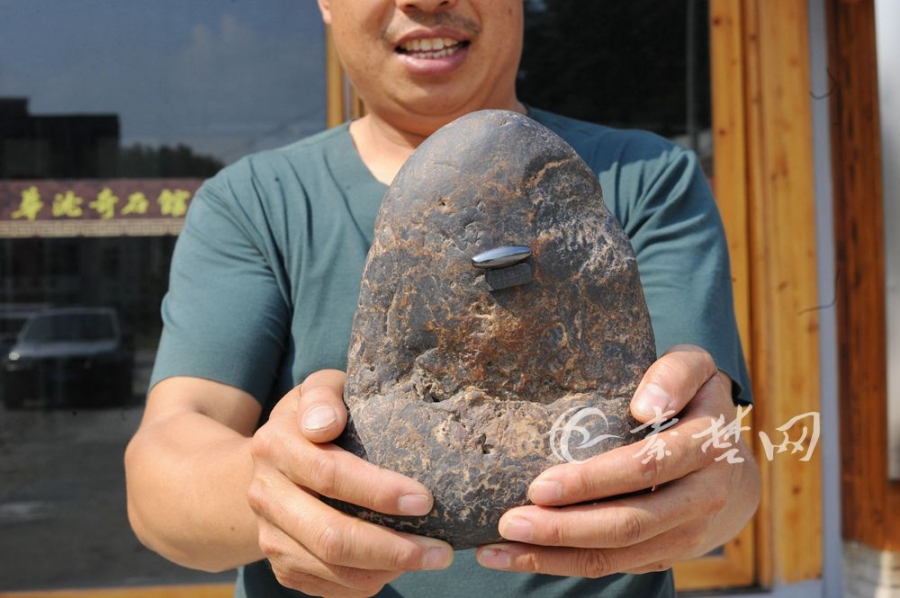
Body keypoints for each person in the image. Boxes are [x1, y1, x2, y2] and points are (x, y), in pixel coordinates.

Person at [124, 0, 761, 596]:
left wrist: (709, 486)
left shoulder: (643, 180)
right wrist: (269, 486)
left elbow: (723, 460)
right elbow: (165, 469)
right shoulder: (256, 203)